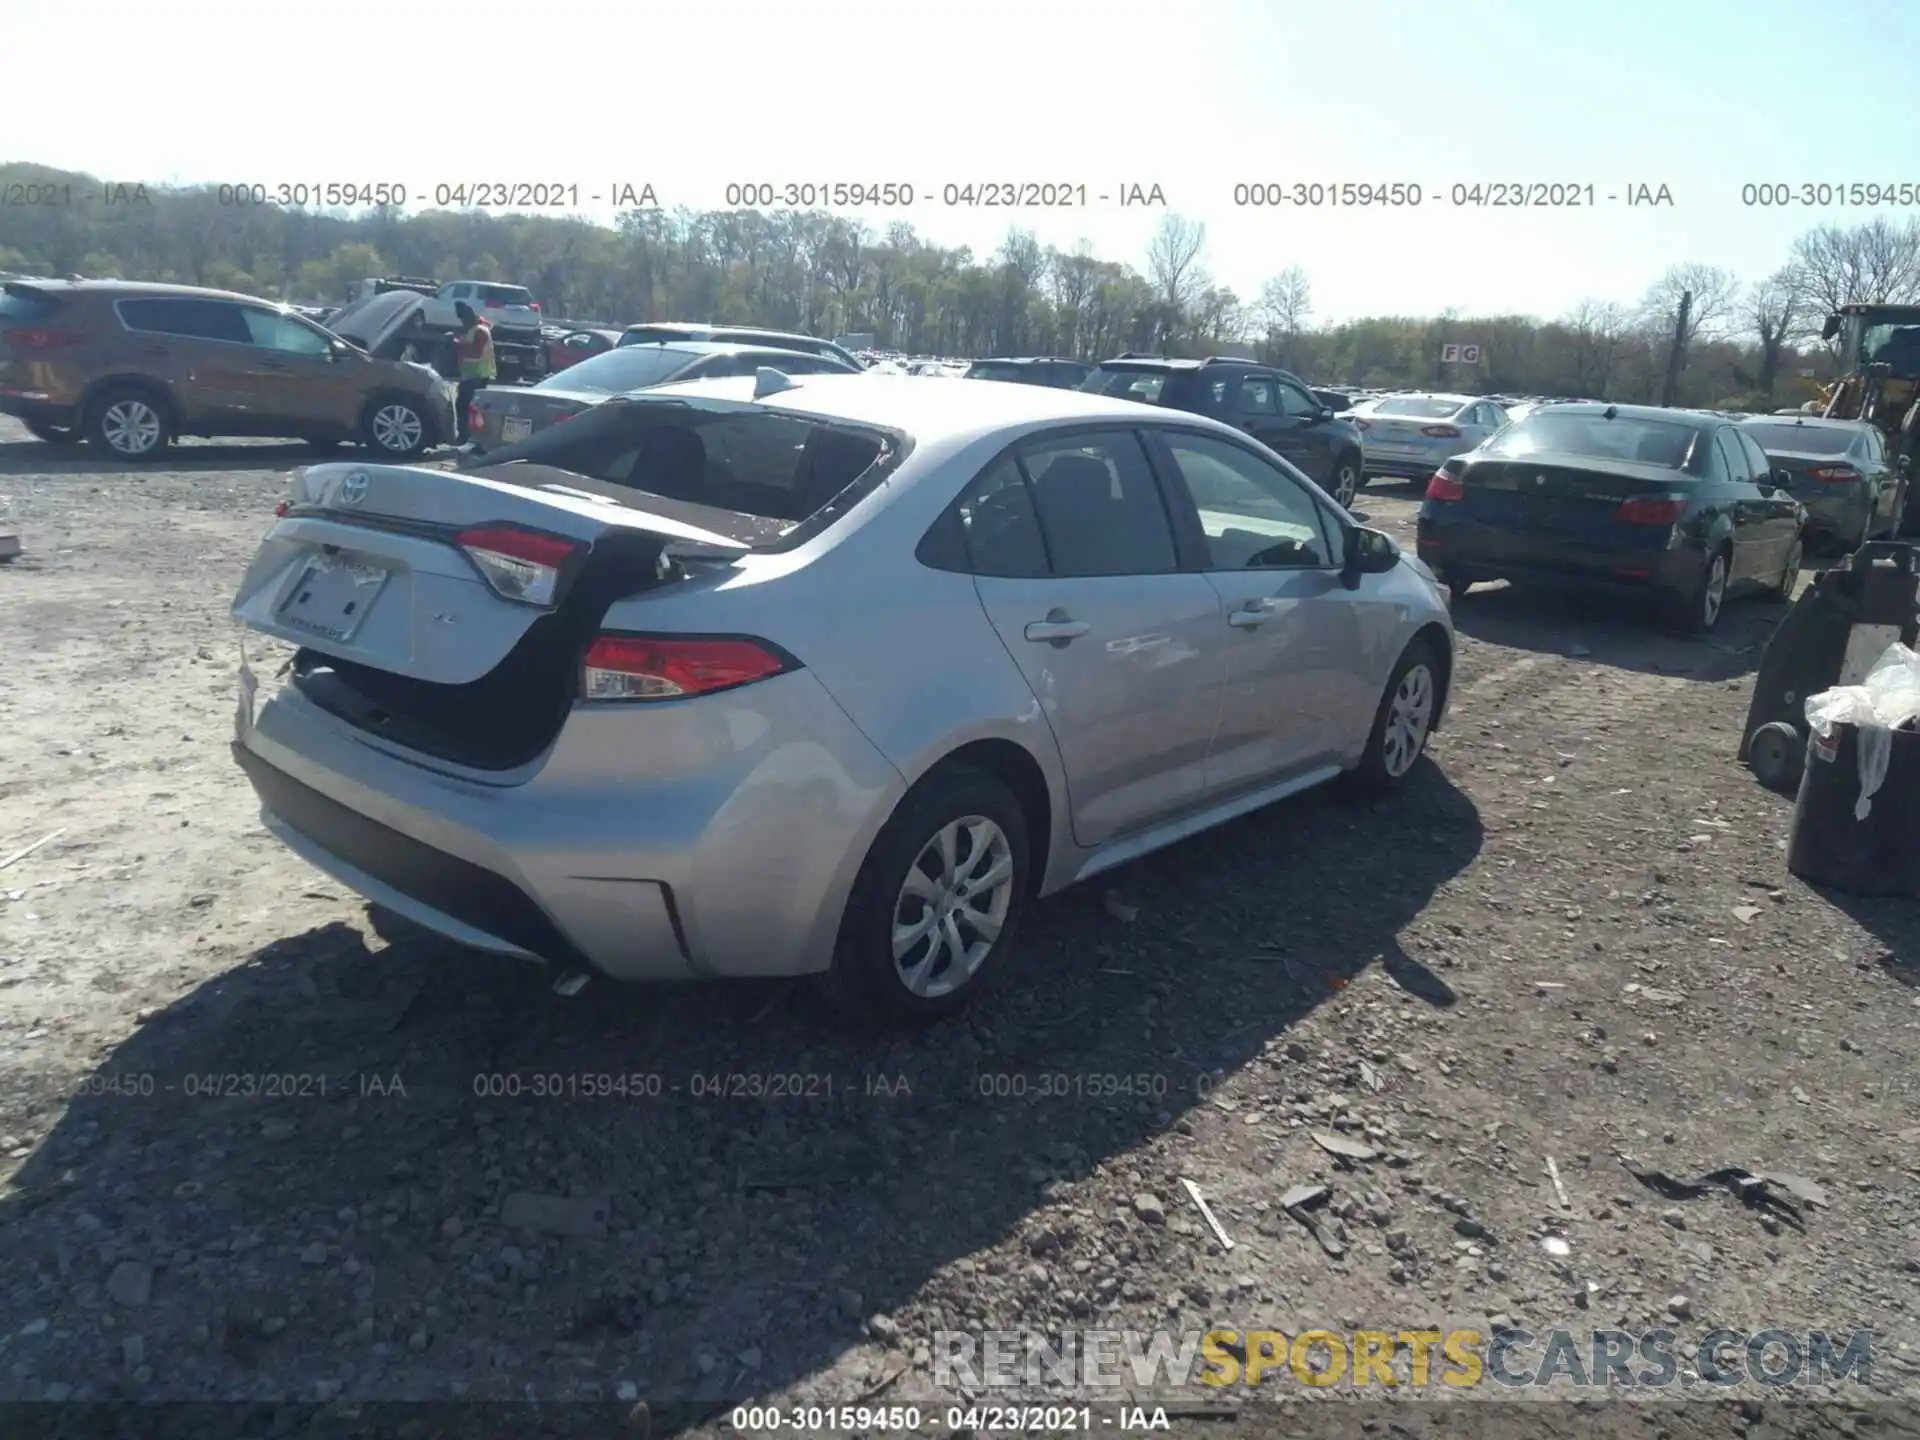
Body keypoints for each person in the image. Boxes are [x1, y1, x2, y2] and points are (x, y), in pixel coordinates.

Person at [450, 301, 496, 443]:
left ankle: (466, 436)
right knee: (466, 406)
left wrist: (457, 344)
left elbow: (475, 354)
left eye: (463, 318)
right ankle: (467, 436)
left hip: (477, 376)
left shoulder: (480, 331)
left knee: (465, 406)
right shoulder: (474, 330)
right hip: (471, 375)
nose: (462, 321)